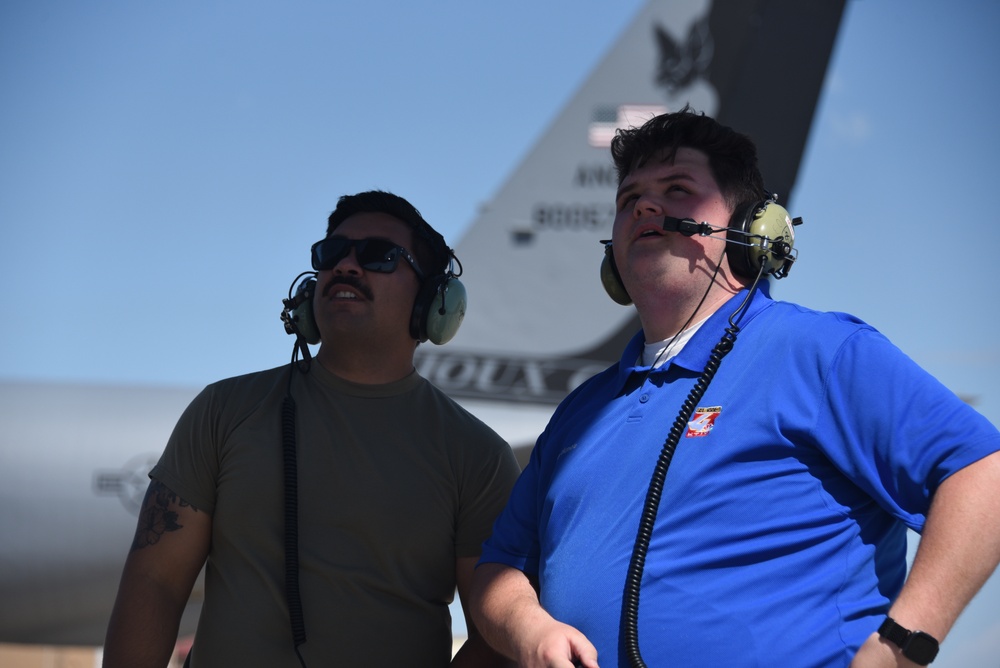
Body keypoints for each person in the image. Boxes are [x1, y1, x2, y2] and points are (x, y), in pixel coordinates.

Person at [469, 109, 1000, 667]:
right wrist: (527, 627)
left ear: (753, 230)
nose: (646, 206)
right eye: (629, 200)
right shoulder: (582, 411)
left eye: (677, 190)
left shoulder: (817, 350)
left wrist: (900, 646)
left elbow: (982, 471)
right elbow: (499, 568)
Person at [104, 190, 521, 667]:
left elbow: (495, 634)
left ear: (433, 300)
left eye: (378, 255)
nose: (346, 265)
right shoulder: (223, 411)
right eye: (331, 253)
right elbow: (154, 582)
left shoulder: (478, 456)